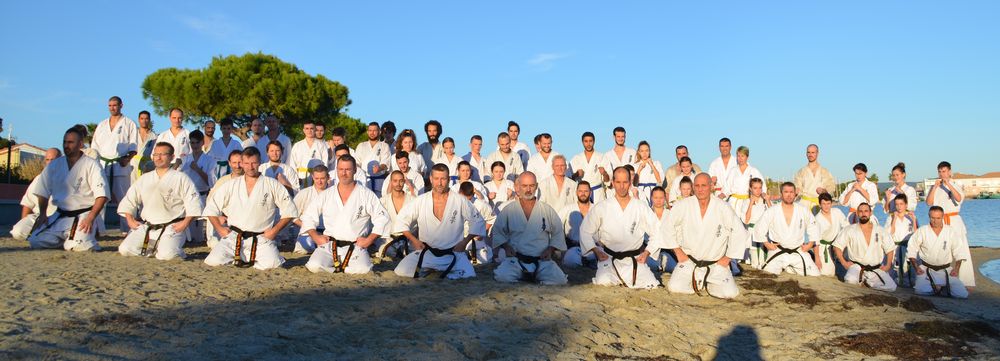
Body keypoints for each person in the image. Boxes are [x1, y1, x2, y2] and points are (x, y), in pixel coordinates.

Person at [204, 147, 298, 270]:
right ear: (242, 163)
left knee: (273, 264)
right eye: (247, 163)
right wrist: (220, 229)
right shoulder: (231, 185)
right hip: (234, 237)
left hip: (261, 238)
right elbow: (211, 208)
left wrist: (274, 231)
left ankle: (245, 258)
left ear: (260, 162)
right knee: (213, 261)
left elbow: (290, 211)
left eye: (254, 163)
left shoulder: (272, 184)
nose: (250, 167)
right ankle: (242, 258)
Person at [392, 164, 486, 279]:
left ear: (449, 180)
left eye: (443, 179)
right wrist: (414, 240)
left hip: (454, 254)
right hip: (427, 253)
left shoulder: (460, 200)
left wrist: (465, 242)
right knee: (400, 271)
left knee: (469, 275)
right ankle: (432, 270)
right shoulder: (421, 200)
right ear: (431, 179)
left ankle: (438, 272)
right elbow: (402, 220)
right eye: (436, 179)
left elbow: (478, 221)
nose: (440, 183)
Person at [663, 173, 747, 299]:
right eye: (697, 185)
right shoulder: (683, 205)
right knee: (675, 287)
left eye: (704, 185)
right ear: (693, 187)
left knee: (730, 293)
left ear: (711, 186)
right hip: (689, 261)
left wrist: (727, 258)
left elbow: (739, 232)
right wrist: (678, 252)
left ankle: (707, 282)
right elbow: (667, 227)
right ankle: (699, 281)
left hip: (716, 264)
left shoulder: (722, 207)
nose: (700, 189)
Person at [303, 155, 390, 274]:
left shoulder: (365, 194)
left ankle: (341, 267)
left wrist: (368, 240)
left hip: (355, 247)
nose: (344, 173)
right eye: (341, 169)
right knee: (314, 266)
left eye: (348, 169)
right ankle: (340, 267)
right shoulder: (327, 194)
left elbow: (382, 218)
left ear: (355, 170)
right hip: (329, 246)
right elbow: (308, 216)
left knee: (363, 269)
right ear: (336, 170)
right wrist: (316, 237)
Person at [579, 167, 664, 289]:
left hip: (634, 260)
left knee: (651, 285)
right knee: (604, 283)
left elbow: (657, 231)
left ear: (630, 183)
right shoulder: (602, 206)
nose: (621, 186)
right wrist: (596, 251)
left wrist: (646, 252)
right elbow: (585, 230)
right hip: (608, 259)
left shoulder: (640, 206)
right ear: (613, 183)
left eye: (625, 182)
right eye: (618, 182)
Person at [27, 125, 108, 251]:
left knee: (77, 246)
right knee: (35, 240)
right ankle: (65, 239)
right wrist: (43, 213)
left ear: (80, 143)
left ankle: (81, 239)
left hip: (83, 216)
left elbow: (101, 195)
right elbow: (42, 191)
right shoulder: (55, 165)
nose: (66, 145)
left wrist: (91, 217)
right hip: (60, 215)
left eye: (70, 142)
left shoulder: (91, 164)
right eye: (64, 142)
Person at [117, 142, 202, 260]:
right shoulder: (145, 178)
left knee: (167, 255)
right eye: (156, 154)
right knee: (125, 249)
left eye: (163, 154)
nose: (158, 157)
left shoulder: (181, 178)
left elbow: (194, 203)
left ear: (172, 157)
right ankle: (154, 248)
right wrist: (130, 219)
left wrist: (185, 223)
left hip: (172, 226)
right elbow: (129, 200)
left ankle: (170, 249)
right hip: (148, 226)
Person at [493, 172, 568, 285]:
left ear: (536, 186)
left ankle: (531, 276)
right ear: (518, 187)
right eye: (524, 186)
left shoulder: (546, 209)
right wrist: (505, 246)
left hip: (541, 260)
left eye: (531, 186)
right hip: (516, 260)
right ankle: (527, 275)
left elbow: (558, 232)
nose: (528, 189)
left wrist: (550, 249)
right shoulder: (509, 209)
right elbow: (497, 230)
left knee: (560, 280)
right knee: (502, 276)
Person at [91, 96, 138, 231]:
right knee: (100, 197)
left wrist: (127, 158)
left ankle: (127, 228)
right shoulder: (102, 125)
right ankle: (98, 229)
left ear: (121, 105)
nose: (112, 108)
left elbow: (133, 146)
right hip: (103, 165)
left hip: (120, 164)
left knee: (123, 199)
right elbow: (95, 147)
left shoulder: (129, 123)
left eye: (115, 105)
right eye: (110, 105)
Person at [925, 160, 974, 289]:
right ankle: (940, 280)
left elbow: (958, 198)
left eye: (944, 171)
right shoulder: (934, 186)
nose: (942, 174)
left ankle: (965, 281)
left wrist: (948, 185)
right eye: (940, 171)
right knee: (940, 249)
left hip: (954, 219)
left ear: (949, 172)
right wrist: (935, 187)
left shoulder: (955, 185)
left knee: (960, 249)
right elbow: (929, 203)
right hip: (940, 220)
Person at [754, 182, 820, 276]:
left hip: (798, 251)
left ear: (795, 194)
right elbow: (760, 228)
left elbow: (813, 227)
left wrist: (809, 244)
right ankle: (787, 266)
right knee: (767, 274)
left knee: (815, 274)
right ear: (781, 194)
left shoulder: (803, 210)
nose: (789, 195)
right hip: (778, 250)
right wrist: (767, 244)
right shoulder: (772, 210)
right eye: (786, 192)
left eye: (791, 192)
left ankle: (790, 267)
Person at [906, 206, 971, 298]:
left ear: (943, 217)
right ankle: (940, 288)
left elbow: (959, 251)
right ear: (929, 217)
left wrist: (956, 269)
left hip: (945, 270)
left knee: (962, 295)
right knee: (920, 291)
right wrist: (916, 267)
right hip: (926, 269)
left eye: (938, 218)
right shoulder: (922, 231)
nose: (935, 221)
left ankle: (941, 288)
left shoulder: (950, 231)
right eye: (932, 218)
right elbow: (911, 249)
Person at [832, 203, 896, 291]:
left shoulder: (880, 230)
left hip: (875, 268)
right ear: (857, 213)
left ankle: (867, 284)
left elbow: (890, 249)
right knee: (850, 281)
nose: (863, 214)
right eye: (861, 211)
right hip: (856, 267)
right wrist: (844, 263)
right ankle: (865, 283)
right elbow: (837, 246)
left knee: (892, 287)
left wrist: (888, 265)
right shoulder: (850, 229)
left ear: (870, 213)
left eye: (866, 211)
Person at [11, 148, 60, 240]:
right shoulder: (38, 179)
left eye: (53, 160)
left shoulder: (68, 177)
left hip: (59, 218)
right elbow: (27, 204)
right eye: (47, 160)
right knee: (17, 232)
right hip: (39, 217)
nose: (50, 162)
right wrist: (24, 221)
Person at [179, 130, 217, 244]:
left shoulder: (210, 160)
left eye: (197, 143)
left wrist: (197, 170)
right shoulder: (185, 159)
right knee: (188, 228)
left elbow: (211, 182)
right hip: (187, 195)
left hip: (203, 194)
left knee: (200, 230)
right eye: (192, 143)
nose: (194, 146)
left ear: (202, 143)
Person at [205, 150, 245, 249]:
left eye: (240, 162)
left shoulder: (250, 180)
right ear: (229, 163)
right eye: (234, 163)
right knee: (215, 244)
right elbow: (211, 203)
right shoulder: (222, 181)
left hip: (244, 220)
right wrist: (218, 217)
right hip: (224, 220)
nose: (237, 166)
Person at [375, 171, 417, 260]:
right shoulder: (383, 201)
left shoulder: (413, 200)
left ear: (404, 182)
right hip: (389, 239)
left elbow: (419, 223)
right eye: (395, 181)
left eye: (401, 181)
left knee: (412, 253)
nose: (398, 184)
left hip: (408, 239)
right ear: (391, 182)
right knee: (389, 251)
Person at [291, 165, 331, 255]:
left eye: (322, 178)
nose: (319, 181)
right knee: (307, 247)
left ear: (328, 177)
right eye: (317, 178)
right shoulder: (304, 193)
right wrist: (307, 227)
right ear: (312, 177)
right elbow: (292, 215)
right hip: (308, 231)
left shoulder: (334, 193)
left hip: (328, 231)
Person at [458, 181, 496, 265]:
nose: (467, 201)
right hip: (458, 240)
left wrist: (481, 231)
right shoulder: (453, 204)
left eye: (469, 199)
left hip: (475, 240)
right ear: (459, 192)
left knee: (482, 263)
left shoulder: (482, 205)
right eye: (464, 198)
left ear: (473, 193)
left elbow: (492, 219)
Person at [885, 194, 918, 287]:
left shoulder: (911, 217)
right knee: (895, 268)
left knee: (909, 267)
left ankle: (911, 283)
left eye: (901, 204)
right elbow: (890, 234)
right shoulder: (890, 217)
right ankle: (897, 283)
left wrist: (914, 221)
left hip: (908, 246)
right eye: (897, 204)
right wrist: (894, 219)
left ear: (906, 205)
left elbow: (917, 234)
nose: (899, 207)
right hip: (895, 246)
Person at [720, 146, 765, 212]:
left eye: (742, 156)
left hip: (748, 202)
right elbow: (727, 187)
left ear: (747, 157)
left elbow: (762, 186)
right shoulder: (733, 171)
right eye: (738, 156)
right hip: (734, 203)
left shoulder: (753, 171)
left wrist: (763, 194)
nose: (740, 158)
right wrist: (722, 194)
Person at [792, 144, 836, 212]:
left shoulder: (824, 171)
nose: (810, 154)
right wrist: (796, 191)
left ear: (817, 153)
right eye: (808, 152)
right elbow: (797, 188)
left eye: (813, 152)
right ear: (806, 154)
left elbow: (831, 188)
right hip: (804, 205)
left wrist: (824, 191)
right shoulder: (801, 172)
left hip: (820, 204)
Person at [814, 192, 848, 277]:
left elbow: (846, 227)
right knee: (827, 273)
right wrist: (817, 259)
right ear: (820, 204)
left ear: (831, 203)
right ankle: (812, 257)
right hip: (824, 247)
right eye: (824, 204)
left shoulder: (837, 212)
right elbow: (816, 241)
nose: (826, 206)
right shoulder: (817, 219)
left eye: (828, 203)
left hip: (838, 244)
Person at [570, 132, 609, 203]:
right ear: (582, 142)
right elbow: (570, 179)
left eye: (590, 141)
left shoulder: (601, 157)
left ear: (594, 141)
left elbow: (608, 181)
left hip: (598, 193)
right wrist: (577, 174)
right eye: (586, 141)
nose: (588, 144)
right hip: (582, 193)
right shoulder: (576, 158)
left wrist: (604, 173)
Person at [739, 178, 770, 270]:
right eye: (755, 188)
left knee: (763, 262)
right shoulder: (746, 202)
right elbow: (746, 221)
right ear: (750, 189)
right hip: (752, 231)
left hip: (764, 232)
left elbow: (774, 216)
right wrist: (751, 203)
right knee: (755, 264)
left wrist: (768, 200)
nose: (758, 190)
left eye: (760, 188)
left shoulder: (764, 201)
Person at [288, 120, 330, 188]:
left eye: (311, 128)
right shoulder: (297, 145)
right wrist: (295, 178)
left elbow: (325, 164)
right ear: (303, 130)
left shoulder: (321, 145)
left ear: (315, 130)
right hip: (300, 177)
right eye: (307, 128)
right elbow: (292, 164)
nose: (309, 131)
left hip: (317, 177)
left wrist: (322, 176)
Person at [355, 122, 392, 196]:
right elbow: (356, 163)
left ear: (379, 132)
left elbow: (386, 164)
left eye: (374, 130)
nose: (372, 133)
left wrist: (379, 168)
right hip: (364, 179)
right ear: (367, 132)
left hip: (379, 181)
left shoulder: (384, 146)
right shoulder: (361, 145)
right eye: (370, 130)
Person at [632, 141, 664, 206]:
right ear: (639, 152)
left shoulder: (656, 163)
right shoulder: (635, 165)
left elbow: (660, 180)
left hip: (653, 191)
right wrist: (639, 170)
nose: (644, 153)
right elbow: (634, 183)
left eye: (646, 150)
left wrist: (652, 165)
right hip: (640, 191)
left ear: (649, 151)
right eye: (642, 151)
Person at [129, 110, 158, 181]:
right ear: (138, 120)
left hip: (147, 164)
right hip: (132, 163)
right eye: (142, 119)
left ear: (149, 120)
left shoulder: (154, 136)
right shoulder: (133, 133)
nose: (144, 121)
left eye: (146, 119)